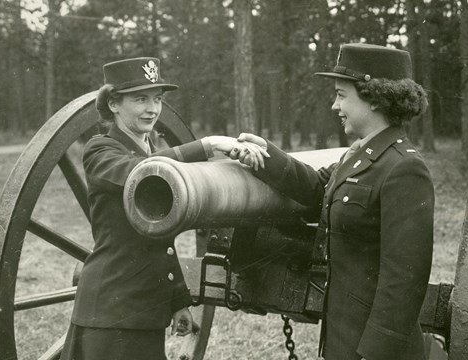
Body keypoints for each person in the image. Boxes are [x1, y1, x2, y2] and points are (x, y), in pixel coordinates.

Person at [233, 43, 434, 360]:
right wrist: (266, 155)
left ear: (374, 98)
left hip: (377, 349)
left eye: (342, 95)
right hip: (343, 338)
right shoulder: (357, 155)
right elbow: (317, 189)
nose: (334, 105)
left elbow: (404, 281)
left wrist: (374, 353)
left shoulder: (403, 168)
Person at [61, 57, 265, 360]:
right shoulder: (101, 149)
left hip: (142, 313)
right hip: (111, 314)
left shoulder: (153, 152)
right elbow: (143, 172)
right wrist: (207, 146)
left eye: (157, 99)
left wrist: (176, 302)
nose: (152, 109)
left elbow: (161, 246)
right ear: (114, 104)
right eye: (140, 99)